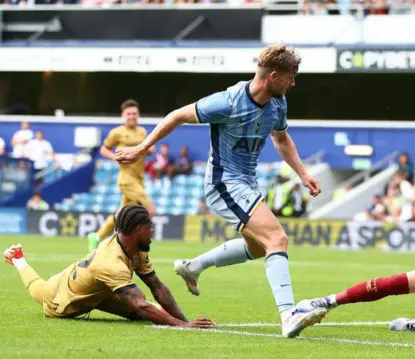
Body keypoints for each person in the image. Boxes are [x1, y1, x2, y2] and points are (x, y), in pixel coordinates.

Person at [113, 44, 326, 338]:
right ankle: (289, 314)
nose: (294, 83)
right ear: (274, 76)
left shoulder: (278, 104)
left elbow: (281, 139)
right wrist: (141, 148)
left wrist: (303, 173)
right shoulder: (228, 101)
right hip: (223, 182)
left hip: (246, 182)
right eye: (291, 76)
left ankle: (193, 266)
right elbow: (176, 115)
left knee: (259, 247)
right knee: (277, 237)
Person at [4, 205, 214, 329]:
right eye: (150, 228)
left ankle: (18, 259)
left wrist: (183, 321)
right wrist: (183, 326)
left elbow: (157, 287)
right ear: (138, 229)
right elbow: (141, 304)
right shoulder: (111, 263)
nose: (153, 232)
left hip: (99, 290)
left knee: (147, 314)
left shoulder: (137, 248)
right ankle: (18, 259)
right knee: (40, 291)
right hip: (63, 297)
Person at [87, 99, 156, 251]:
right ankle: (135, 243)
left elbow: (150, 150)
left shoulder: (142, 132)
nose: (132, 116)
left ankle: (97, 236)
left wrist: (148, 150)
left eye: (135, 113)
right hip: (126, 180)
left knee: (122, 213)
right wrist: (116, 158)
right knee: (149, 209)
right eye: (129, 113)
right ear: (123, 115)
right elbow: (104, 149)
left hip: (139, 179)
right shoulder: (117, 132)